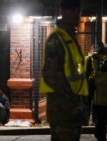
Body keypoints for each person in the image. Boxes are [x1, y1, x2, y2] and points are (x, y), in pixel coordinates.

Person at [39, 0, 89, 140]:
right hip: (64, 112)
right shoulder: (57, 39)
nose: (77, 15)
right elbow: (52, 76)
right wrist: (73, 103)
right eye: (73, 11)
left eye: (78, 11)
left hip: (73, 111)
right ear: (63, 11)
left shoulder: (70, 38)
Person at [86, 42, 107, 125]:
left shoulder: (91, 57)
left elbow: (87, 70)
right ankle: (96, 118)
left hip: (93, 80)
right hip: (104, 80)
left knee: (90, 99)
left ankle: (87, 118)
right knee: (99, 100)